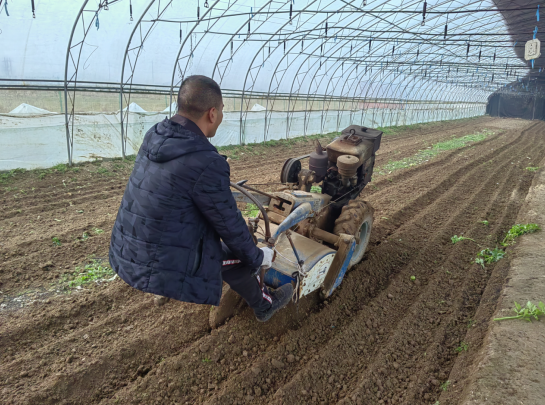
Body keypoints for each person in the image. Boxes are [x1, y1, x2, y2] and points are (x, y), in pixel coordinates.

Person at [109, 75, 293, 322]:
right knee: (240, 254)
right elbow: (229, 225)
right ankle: (264, 305)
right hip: (156, 260)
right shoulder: (205, 162)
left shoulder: (156, 135)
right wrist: (259, 257)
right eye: (223, 111)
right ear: (213, 113)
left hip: (127, 247)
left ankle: (165, 286)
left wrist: (214, 168)